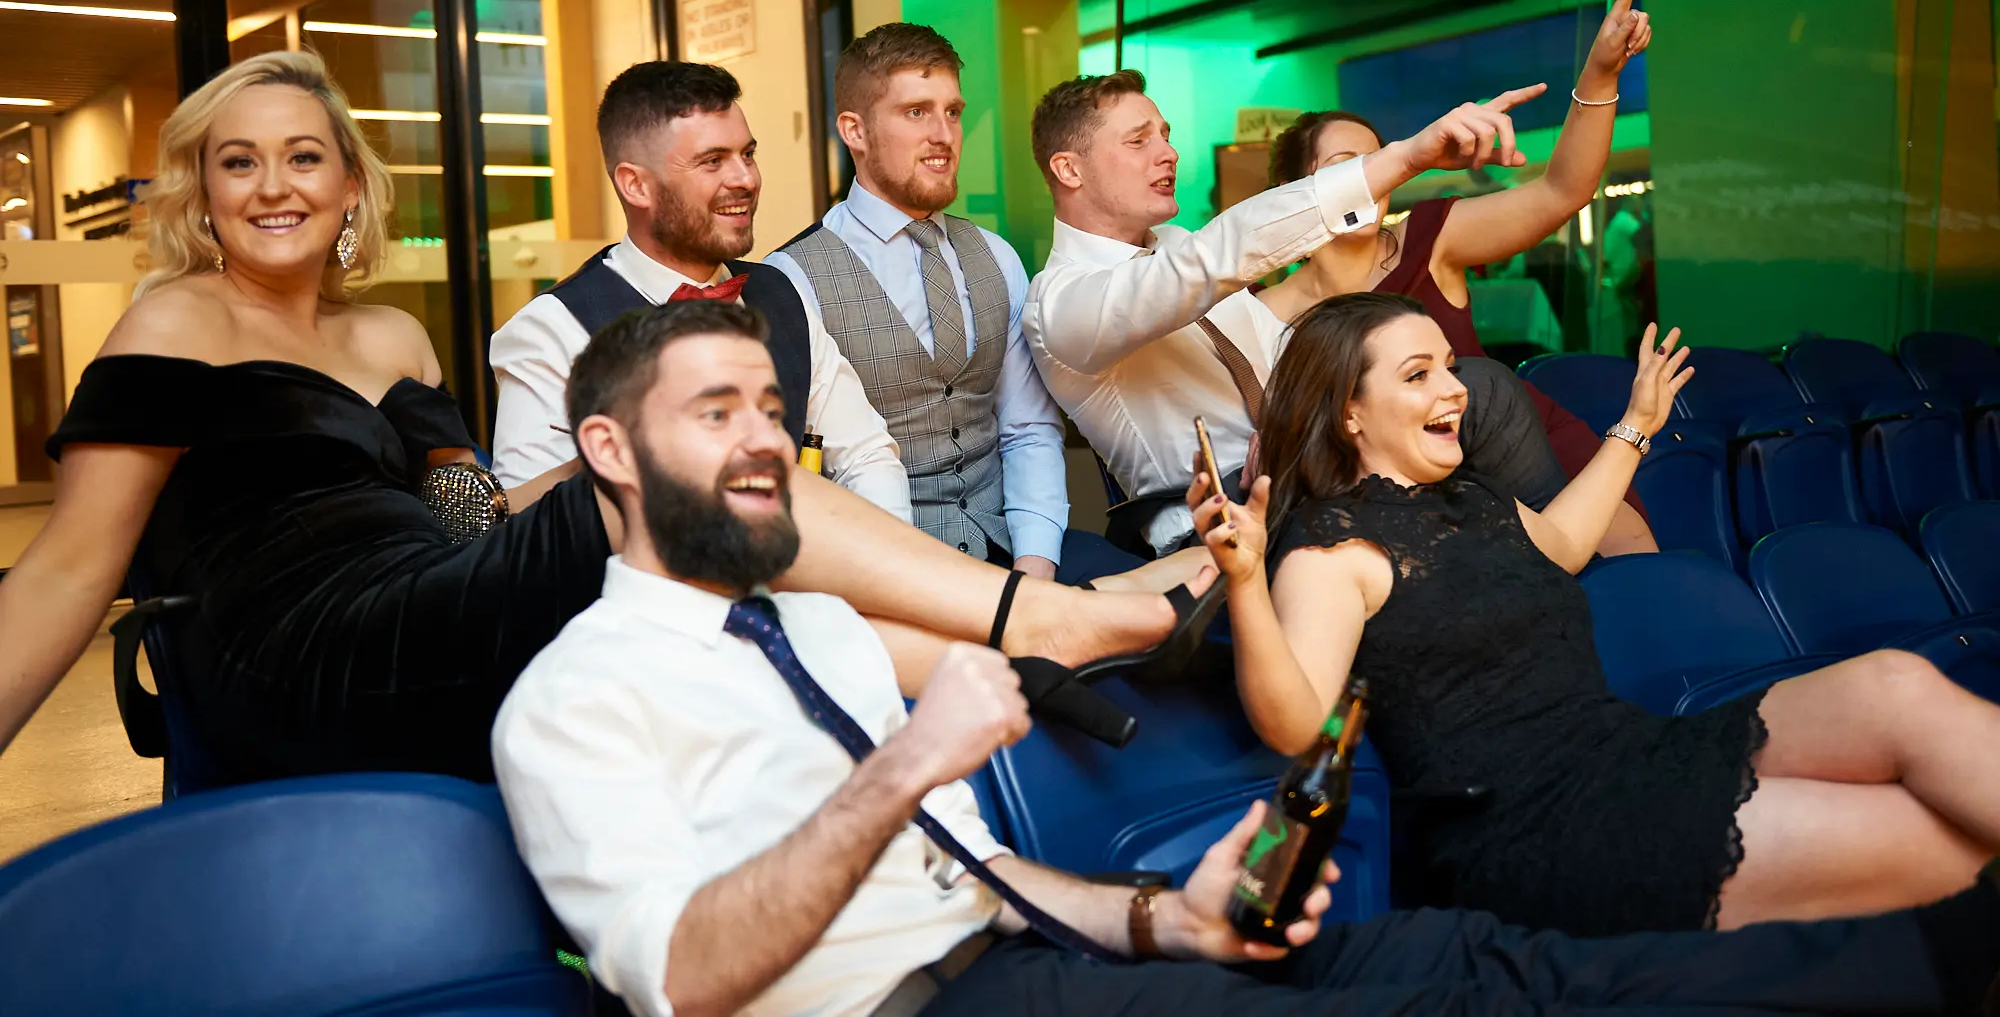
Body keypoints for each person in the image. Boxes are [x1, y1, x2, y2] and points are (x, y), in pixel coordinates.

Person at [493, 297, 2000, 1017]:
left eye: (772, 406)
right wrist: (905, 764)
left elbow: (989, 884)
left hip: (1039, 947)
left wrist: (1168, 918)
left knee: (1461, 967)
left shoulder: (820, 622)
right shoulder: (567, 700)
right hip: (931, 1008)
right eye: (718, 413)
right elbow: (681, 976)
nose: (765, 436)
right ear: (608, 449)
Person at [0, 52, 1227, 778]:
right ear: (201, 190)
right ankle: (1063, 616)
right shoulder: (172, 321)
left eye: (305, 157)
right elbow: (64, 571)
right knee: (721, 460)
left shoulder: (390, 336)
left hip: (434, 597)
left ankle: (1026, 643)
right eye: (240, 161)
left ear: (349, 185)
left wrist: (618, 466)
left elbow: (471, 513)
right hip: (300, 645)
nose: (276, 186)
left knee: (702, 496)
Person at [1189, 291, 2000, 937]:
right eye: (1417, 375)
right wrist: (1248, 581)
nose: (1455, 389)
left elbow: (1569, 542)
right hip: (1537, 834)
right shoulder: (1331, 549)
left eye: (1448, 365)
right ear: (1348, 413)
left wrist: (1639, 423)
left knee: (1898, 680)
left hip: (1626, 751)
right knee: (1931, 838)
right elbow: (1296, 725)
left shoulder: (1472, 497)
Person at [1021, 65, 1535, 553]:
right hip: (1220, 522)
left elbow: (1282, 354)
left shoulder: (1176, 243)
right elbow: (1211, 260)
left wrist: (1291, 423)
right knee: (1483, 400)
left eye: (1165, 135)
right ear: (1069, 169)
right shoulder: (1059, 303)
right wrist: (1403, 159)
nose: (1169, 153)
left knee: (1474, 396)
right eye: (1139, 141)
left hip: (1311, 474)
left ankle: (1571, 566)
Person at [1249, 0, 1654, 553]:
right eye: (1343, 164)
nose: (1366, 180)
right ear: (1293, 187)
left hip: (1528, 453)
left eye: (1378, 162)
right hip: (1410, 508)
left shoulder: (1430, 237)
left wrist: (1601, 72)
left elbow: (1562, 190)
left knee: (1632, 583)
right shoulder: (1263, 316)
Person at [768, 23, 1128, 584]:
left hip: (1011, 553)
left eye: (953, 112)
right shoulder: (789, 279)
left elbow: (1027, 428)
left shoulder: (996, 256)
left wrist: (1034, 570)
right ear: (854, 131)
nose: (943, 134)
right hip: (879, 573)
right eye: (916, 112)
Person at [489, 60, 910, 520]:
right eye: (713, 161)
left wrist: (874, 581)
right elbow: (536, 535)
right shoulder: (549, 333)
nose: (746, 179)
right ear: (636, 185)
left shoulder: (780, 292)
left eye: (747, 154)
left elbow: (867, 456)